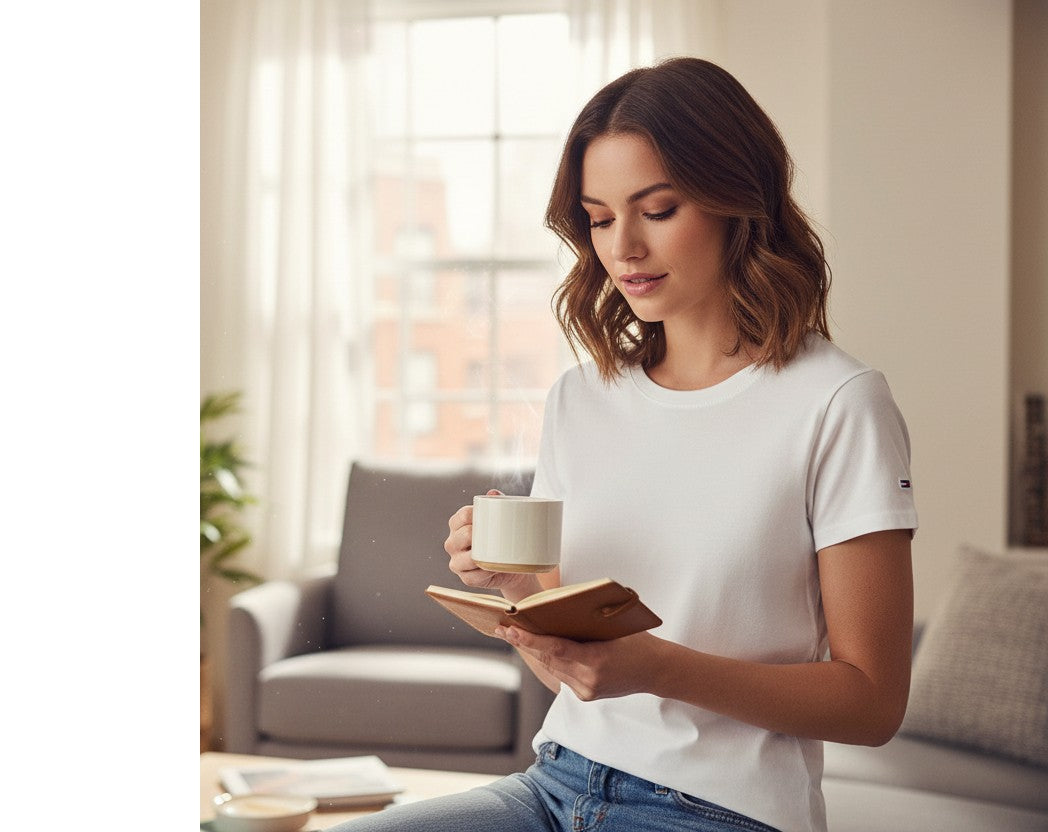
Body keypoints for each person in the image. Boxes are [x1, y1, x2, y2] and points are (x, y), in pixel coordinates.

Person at [331, 56, 917, 832]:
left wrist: (660, 669)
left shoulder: (837, 403)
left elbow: (873, 702)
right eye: (601, 218)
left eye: (659, 209)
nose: (624, 247)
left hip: (720, 809)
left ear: (739, 201)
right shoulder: (581, 398)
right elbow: (577, 665)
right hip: (555, 785)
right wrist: (517, 597)